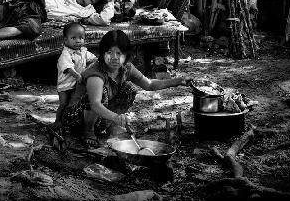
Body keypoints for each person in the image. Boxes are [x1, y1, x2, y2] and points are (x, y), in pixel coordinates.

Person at [61, 29, 192, 147]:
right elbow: (95, 104)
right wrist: (116, 117)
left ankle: (109, 126)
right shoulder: (96, 73)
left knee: (130, 88)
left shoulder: (126, 68)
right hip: (75, 118)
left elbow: (149, 84)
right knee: (102, 94)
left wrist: (177, 81)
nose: (114, 58)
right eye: (109, 52)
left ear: (126, 54)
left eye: (119, 53)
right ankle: (88, 131)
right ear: (103, 53)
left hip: (98, 114)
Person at [53, 22, 97, 129]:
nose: (78, 41)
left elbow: (94, 59)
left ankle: (72, 120)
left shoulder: (83, 51)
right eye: (73, 38)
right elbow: (68, 68)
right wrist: (77, 75)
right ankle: (57, 121)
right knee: (63, 104)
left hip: (76, 84)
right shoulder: (66, 54)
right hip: (65, 86)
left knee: (73, 103)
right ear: (65, 40)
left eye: (81, 38)